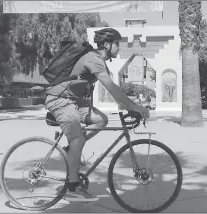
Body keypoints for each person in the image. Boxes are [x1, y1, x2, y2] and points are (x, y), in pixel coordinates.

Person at [45, 28, 149, 202]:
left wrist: (131, 106)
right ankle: (72, 188)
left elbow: (114, 89)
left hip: (74, 101)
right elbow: (112, 88)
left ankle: (71, 151)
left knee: (101, 120)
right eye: (117, 44)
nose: (119, 48)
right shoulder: (93, 59)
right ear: (107, 44)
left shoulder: (99, 60)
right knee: (77, 139)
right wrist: (135, 106)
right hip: (60, 99)